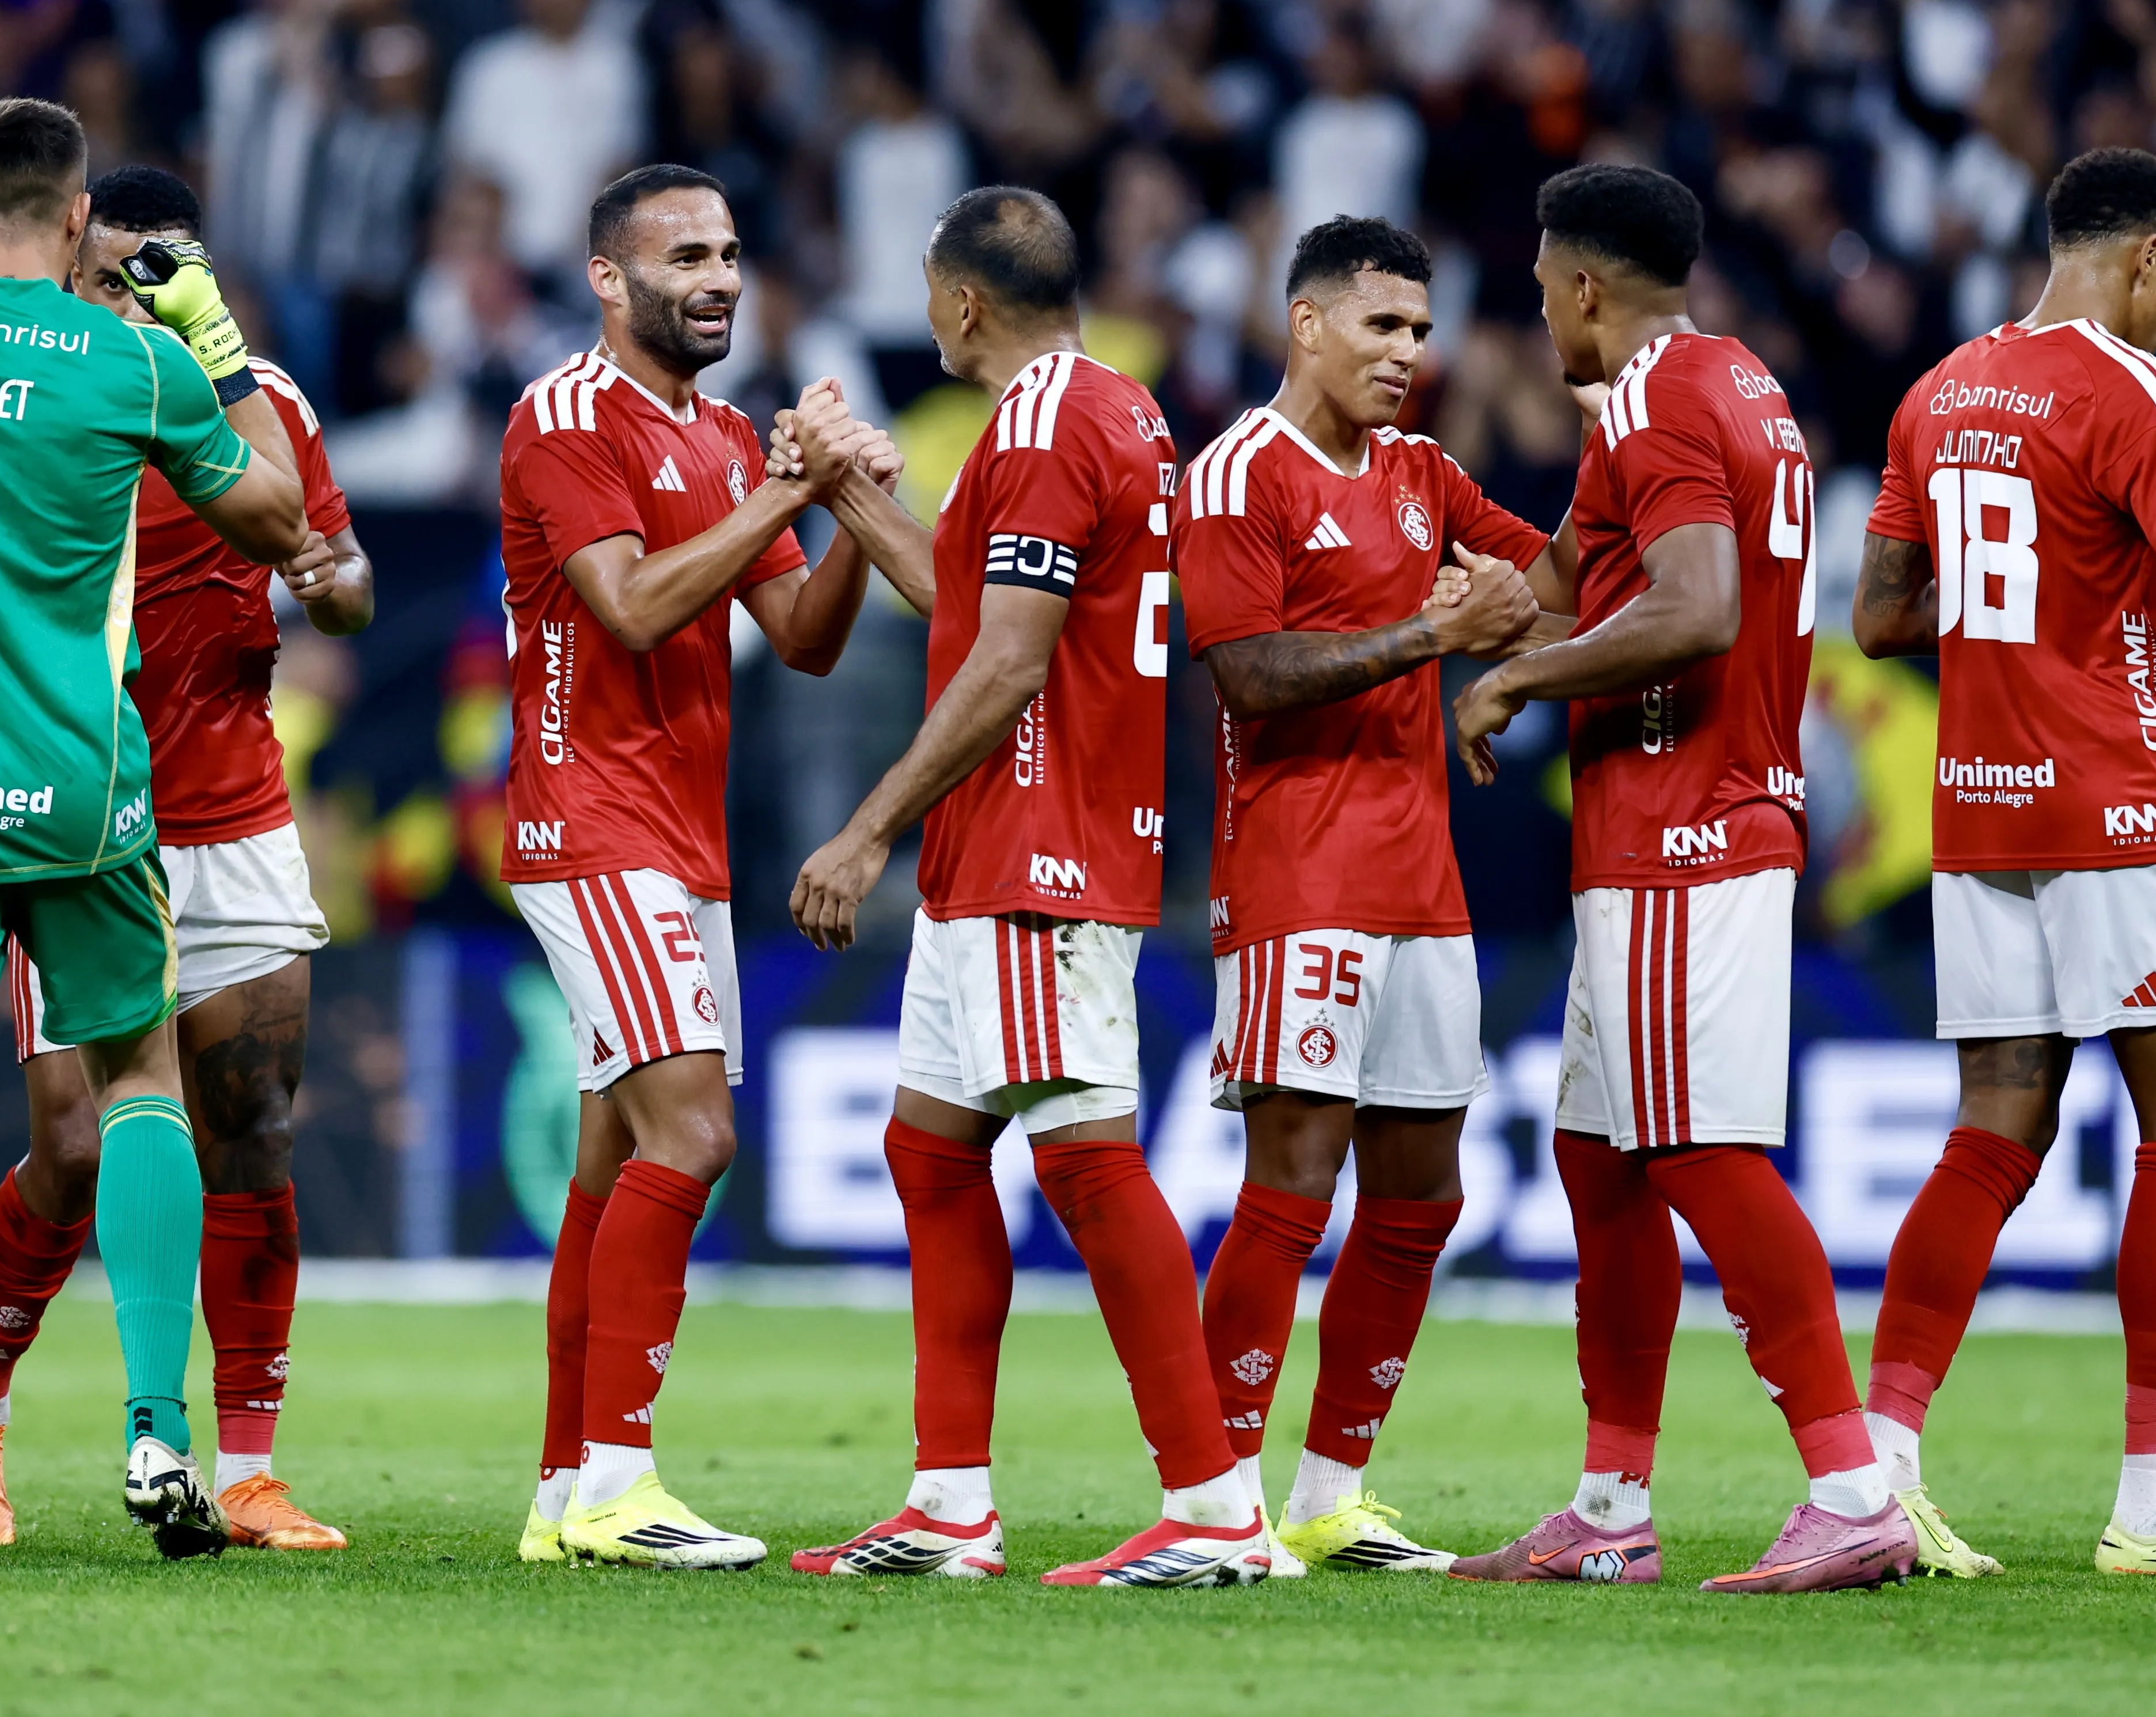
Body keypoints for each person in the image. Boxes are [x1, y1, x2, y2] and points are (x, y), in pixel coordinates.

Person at [0, 97, 311, 1571]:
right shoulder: (133, 358)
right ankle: (158, 1430)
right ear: (81, 218)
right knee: (143, 1087)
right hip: (85, 794)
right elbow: (278, 520)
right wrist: (209, 340)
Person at [1851, 146, 2156, 1582]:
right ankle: (2151, 1505)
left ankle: (1872, 1472)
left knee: (1992, 1131)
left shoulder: (1936, 391)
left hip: (1981, 804)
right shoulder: (2138, 388)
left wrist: (2057, 578)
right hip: (2122, 799)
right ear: (2140, 258)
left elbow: (1880, 619)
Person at [786, 187, 1267, 1590]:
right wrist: (848, 490)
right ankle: (947, 1505)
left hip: (1034, 842)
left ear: (960, 303)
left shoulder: (1050, 422)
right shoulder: (1102, 407)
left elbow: (1004, 661)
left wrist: (865, 828)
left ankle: (1211, 1504)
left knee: (1083, 1158)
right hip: (1008, 844)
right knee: (932, 1152)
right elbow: (965, 599)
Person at [1448, 163, 1914, 1594]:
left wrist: (1513, 673)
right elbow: (1582, 573)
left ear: (1586, 285)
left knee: (1698, 1150)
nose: (1538, 316)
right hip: (1677, 826)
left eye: (1539, 290)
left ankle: (1848, 1487)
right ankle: (1606, 1508)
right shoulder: (1732, 385)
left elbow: (1694, 608)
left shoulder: (1650, 397)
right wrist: (1463, 589)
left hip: (1683, 829)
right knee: (1598, 1154)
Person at [0, 162, 373, 1553]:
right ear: (68, 262)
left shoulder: (263, 402)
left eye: (160, 271)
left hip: (239, 818)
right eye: (110, 269)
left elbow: (346, 581)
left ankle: (248, 1471)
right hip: (73, 814)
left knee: (250, 1135)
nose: (128, 294)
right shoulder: (32, 397)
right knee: (72, 1147)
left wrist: (328, 579)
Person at [502, 162, 891, 1570]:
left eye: (730, 250)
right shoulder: (562, 418)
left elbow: (799, 634)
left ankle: (562, 1493)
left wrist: (839, 504)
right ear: (608, 278)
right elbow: (626, 605)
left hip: (680, 838)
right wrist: (784, 485)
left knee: (615, 1163)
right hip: (585, 821)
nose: (719, 275)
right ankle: (619, 1481)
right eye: (684, 255)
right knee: (695, 1137)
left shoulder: (727, 435)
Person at [1178, 216, 1567, 1575]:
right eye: (1381, 327)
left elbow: (1557, 582)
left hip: (1422, 883)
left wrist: (1525, 623)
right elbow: (1246, 676)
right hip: (1298, 878)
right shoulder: (1239, 473)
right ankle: (1215, 1495)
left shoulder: (1421, 473)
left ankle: (1329, 1490)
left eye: (1419, 328)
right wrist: (1434, 635)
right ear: (1305, 325)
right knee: (1289, 1183)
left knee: (1422, 1197)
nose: (1410, 352)